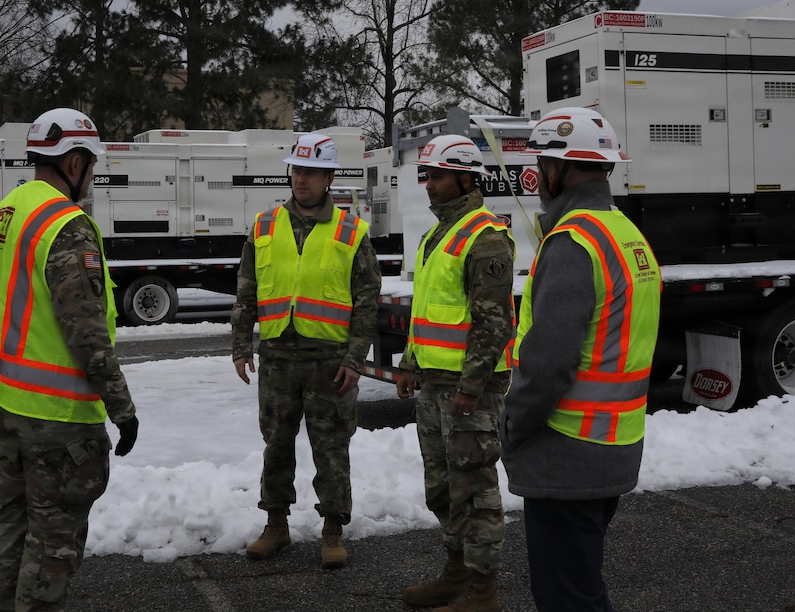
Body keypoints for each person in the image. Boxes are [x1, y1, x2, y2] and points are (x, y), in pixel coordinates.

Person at [0, 107, 139, 612]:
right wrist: (122, 407)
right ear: (74, 163)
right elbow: (87, 330)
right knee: (52, 537)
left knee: (13, 517)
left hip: (1, 403)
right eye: (91, 165)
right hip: (56, 415)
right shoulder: (64, 225)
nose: (91, 176)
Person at [500, 107, 662, 612]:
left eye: (541, 165)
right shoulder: (626, 233)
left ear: (558, 171)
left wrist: (513, 427)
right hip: (614, 442)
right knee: (582, 587)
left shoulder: (573, 242)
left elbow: (549, 363)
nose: (538, 179)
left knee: (566, 597)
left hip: (567, 452)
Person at [231, 132, 381, 570]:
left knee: (331, 448)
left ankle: (333, 530)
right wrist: (241, 343)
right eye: (297, 170)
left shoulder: (352, 231)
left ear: (330, 177)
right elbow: (246, 289)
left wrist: (356, 359)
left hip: (329, 362)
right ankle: (275, 525)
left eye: (312, 172)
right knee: (276, 445)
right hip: (278, 357)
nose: (302, 179)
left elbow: (367, 300)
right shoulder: (263, 225)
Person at [395, 134, 516, 612]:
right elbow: (427, 311)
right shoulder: (438, 234)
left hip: (471, 391)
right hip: (434, 383)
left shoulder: (486, 236)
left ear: (467, 178)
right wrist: (408, 364)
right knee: (443, 485)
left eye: (438, 176)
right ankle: (456, 574)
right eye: (426, 175)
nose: (429, 184)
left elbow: (494, 323)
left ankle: (483, 591)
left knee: (476, 489)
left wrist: (472, 386)